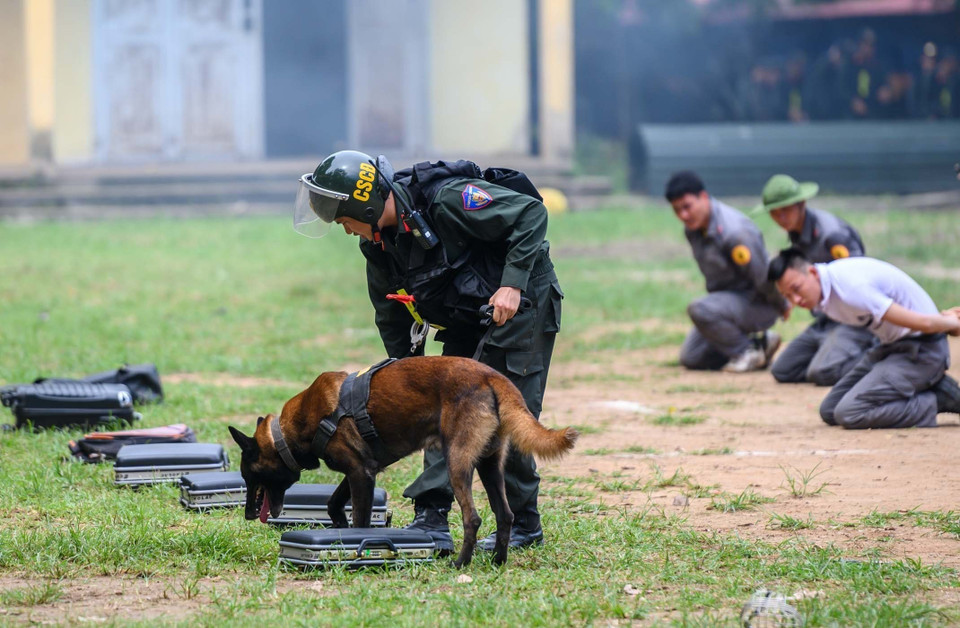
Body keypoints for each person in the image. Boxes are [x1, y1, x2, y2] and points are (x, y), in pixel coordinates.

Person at [293, 150, 563, 554]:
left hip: (520, 303)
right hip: (467, 311)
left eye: (343, 219)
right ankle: (431, 518)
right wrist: (406, 377)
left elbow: (529, 214)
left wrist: (513, 283)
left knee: (505, 410)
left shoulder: (447, 199)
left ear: (363, 204)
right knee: (438, 406)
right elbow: (390, 316)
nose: (346, 231)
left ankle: (523, 523)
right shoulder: (378, 247)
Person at [768, 248, 960, 429]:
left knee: (850, 412)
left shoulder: (851, 288)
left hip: (923, 350)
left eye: (797, 289)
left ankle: (937, 398)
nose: (796, 300)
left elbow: (924, 324)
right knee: (830, 410)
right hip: (891, 347)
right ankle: (917, 386)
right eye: (788, 296)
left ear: (812, 272)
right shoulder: (826, 289)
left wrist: (951, 323)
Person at [752, 174, 875, 386]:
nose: (780, 217)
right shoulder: (797, 232)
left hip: (853, 318)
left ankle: (880, 357)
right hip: (827, 317)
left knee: (822, 373)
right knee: (783, 370)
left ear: (802, 203)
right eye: (774, 212)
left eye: (785, 210)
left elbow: (860, 278)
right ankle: (832, 353)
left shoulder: (832, 234)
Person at [665, 171, 787, 372]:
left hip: (758, 302)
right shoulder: (693, 229)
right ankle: (761, 344)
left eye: (687, 207)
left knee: (700, 308)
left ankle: (746, 352)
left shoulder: (734, 232)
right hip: (727, 304)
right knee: (692, 357)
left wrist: (782, 304)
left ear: (703, 197)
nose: (683, 215)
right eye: (677, 210)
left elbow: (762, 275)